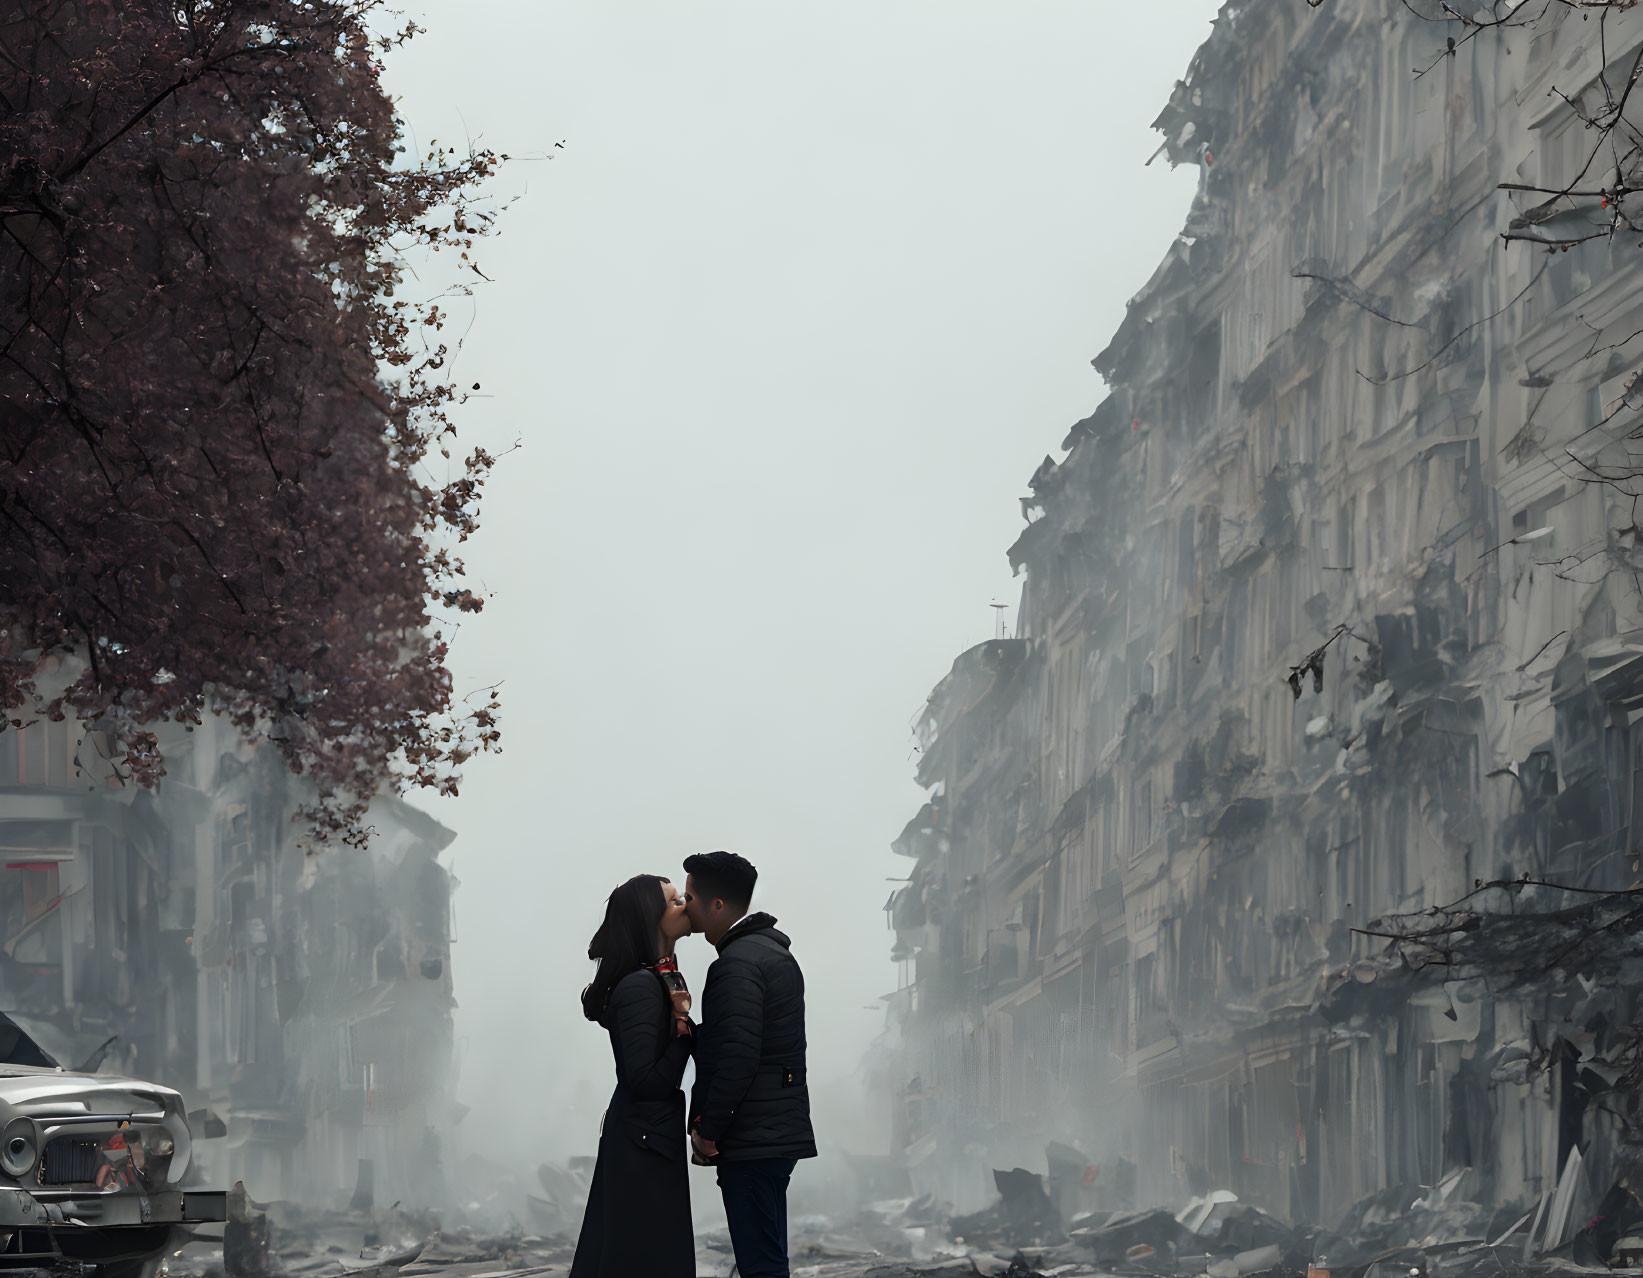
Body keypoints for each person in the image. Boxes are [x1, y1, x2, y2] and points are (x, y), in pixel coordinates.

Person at [682, 850, 817, 1278]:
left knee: (761, 1264)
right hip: (773, 1131)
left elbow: (738, 1057)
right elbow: (745, 1039)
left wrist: (708, 1129)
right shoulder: (769, 955)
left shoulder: (737, 965)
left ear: (716, 906)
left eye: (690, 898)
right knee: (769, 1256)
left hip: (753, 1137)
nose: (685, 906)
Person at [569, 874, 696, 1278]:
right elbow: (645, 1081)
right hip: (643, 1146)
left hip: (647, 1139)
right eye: (675, 901)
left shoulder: (657, 977)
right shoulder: (642, 986)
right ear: (650, 918)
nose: (685, 903)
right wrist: (687, 1038)